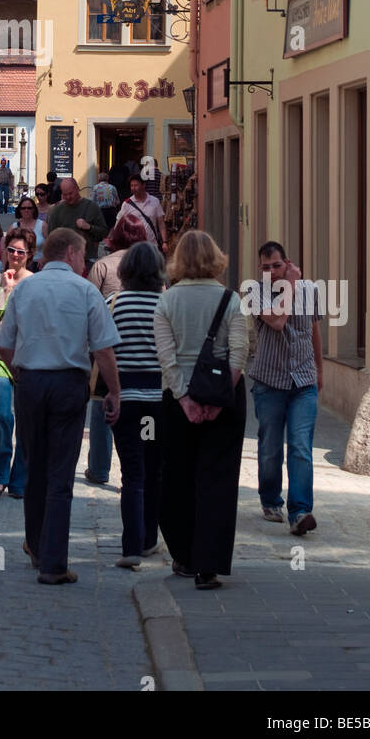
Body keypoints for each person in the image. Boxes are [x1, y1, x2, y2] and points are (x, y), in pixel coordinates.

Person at [0, 228, 121, 585]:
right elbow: (103, 349)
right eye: (83, 255)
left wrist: (19, 373)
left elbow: (4, 344)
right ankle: (53, 562)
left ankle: (35, 545)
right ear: (71, 254)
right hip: (68, 383)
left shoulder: (25, 290)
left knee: (34, 465)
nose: (85, 262)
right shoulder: (85, 291)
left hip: (31, 382)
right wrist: (114, 391)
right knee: (61, 473)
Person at [153, 230, 248, 590]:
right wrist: (219, 398)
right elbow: (239, 352)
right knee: (218, 481)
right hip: (225, 398)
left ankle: (184, 554)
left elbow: (166, 356)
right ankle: (208, 565)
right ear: (215, 257)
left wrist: (185, 399)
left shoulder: (167, 301)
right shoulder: (230, 299)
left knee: (177, 478)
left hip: (178, 402)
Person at [249, 240, 323, 536]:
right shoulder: (254, 293)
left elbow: (313, 329)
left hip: (304, 381)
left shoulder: (311, 291)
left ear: (287, 262)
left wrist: (320, 368)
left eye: (277, 266)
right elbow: (278, 321)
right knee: (269, 449)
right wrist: (291, 284)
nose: (272, 272)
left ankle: (300, 511)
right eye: (266, 267)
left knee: (301, 446)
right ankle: (270, 499)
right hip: (270, 381)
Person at [110, 242, 167, 568]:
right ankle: (148, 539)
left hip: (125, 400)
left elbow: (100, 348)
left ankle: (131, 547)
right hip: (158, 402)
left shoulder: (114, 303)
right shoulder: (167, 304)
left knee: (132, 474)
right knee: (154, 472)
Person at [84, 214, 149, 485]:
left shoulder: (102, 266)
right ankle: (135, 470)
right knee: (141, 411)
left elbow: (88, 304)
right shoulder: (152, 265)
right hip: (144, 348)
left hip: (107, 346)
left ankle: (99, 468)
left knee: (102, 406)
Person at [0, 228, 32, 499]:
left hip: (28, 359)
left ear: (29, 255)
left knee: (26, 421)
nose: (14, 255)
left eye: (20, 251)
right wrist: (6, 290)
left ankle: (20, 478)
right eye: (10, 249)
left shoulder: (36, 283)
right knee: (1, 417)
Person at [45, 177, 108, 268]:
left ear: (77, 188)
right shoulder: (57, 210)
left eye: (71, 193)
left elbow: (104, 232)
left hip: (86, 260)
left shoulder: (92, 207)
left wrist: (89, 227)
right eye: (65, 194)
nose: (68, 197)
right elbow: (50, 237)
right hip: (63, 261)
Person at [118, 173, 168, 254]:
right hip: (133, 248)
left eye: (136, 185)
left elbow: (161, 223)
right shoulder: (127, 204)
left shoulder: (154, 201)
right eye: (131, 186)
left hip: (152, 246)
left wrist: (165, 242)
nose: (133, 188)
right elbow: (119, 224)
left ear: (143, 185)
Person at [15, 197, 45, 263]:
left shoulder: (43, 225)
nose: (26, 210)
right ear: (19, 210)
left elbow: (51, 246)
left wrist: (44, 259)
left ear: (34, 209)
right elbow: (6, 250)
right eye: (23, 208)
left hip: (39, 265)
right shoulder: (13, 227)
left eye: (29, 208)